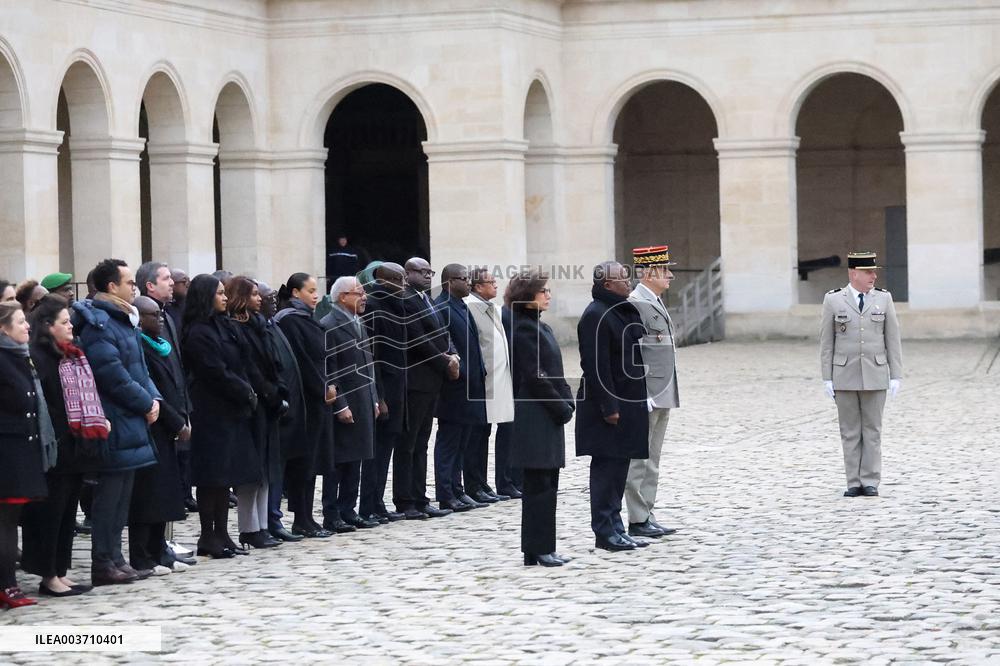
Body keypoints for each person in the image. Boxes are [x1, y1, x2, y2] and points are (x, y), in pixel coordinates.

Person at [72, 259, 161, 584]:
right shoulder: (100, 325)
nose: (133, 287)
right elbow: (112, 375)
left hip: (132, 418)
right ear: (111, 286)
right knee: (109, 498)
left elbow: (140, 370)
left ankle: (117, 558)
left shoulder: (123, 321)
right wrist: (144, 402)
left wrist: (154, 400)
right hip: (115, 418)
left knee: (123, 495)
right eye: (128, 282)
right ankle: (103, 562)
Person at [22, 295, 104, 597]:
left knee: (68, 511)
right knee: (50, 512)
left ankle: (59, 569)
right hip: (54, 447)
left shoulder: (70, 355)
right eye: (64, 322)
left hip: (75, 446)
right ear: (47, 326)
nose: (71, 326)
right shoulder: (39, 357)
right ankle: (47, 573)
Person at [183, 275, 261, 558]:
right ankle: (208, 535)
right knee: (212, 476)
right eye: (218, 293)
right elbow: (213, 370)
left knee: (226, 474)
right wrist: (243, 390)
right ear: (206, 297)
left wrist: (247, 389)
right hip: (210, 410)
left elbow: (240, 361)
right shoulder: (198, 332)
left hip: (231, 409)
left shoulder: (224, 325)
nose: (225, 297)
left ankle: (223, 533)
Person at [576, 261, 650, 552]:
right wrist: (609, 406)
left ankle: (617, 527)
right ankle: (605, 532)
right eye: (622, 279)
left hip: (628, 402)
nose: (628, 282)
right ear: (607, 285)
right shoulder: (595, 315)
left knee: (620, 468)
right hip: (608, 407)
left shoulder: (619, 310)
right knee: (606, 470)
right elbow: (596, 366)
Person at [820, 251, 903, 498]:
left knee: (873, 430)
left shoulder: (884, 299)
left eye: (874, 271)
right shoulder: (833, 300)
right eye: (868, 272)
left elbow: (892, 339)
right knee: (850, 431)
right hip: (844, 374)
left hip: (875, 373)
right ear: (853, 273)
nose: (873, 276)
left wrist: (895, 374)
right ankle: (853, 482)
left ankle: (870, 481)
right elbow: (826, 342)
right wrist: (827, 377)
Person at [507, 271, 574, 567]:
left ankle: (541, 546)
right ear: (527, 296)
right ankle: (537, 547)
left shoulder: (539, 326)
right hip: (536, 412)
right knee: (538, 485)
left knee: (548, 483)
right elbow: (536, 376)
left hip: (547, 411)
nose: (548, 295)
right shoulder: (523, 329)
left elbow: (554, 371)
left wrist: (566, 399)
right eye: (542, 291)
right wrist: (560, 405)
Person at [128, 296, 192, 574]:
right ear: (140, 319)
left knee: (164, 495)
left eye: (161, 314)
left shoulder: (162, 346)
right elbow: (155, 390)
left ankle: (159, 549)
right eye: (154, 315)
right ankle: (143, 555)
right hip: (152, 426)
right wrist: (177, 422)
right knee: (148, 497)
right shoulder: (140, 346)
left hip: (167, 427)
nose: (161, 319)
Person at [393, 258, 458, 520]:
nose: (428, 275)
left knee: (422, 443)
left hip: (433, 381)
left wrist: (453, 354)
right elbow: (418, 338)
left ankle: (421, 497)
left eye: (430, 271)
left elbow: (442, 332)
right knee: (408, 444)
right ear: (408, 274)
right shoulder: (406, 300)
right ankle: (405, 500)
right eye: (422, 271)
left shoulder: (426, 299)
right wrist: (445, 361)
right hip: (416, 381)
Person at [275, 273, 337, 538]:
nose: (315, 295)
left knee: (312, 462)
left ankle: (308, 517)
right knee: (303, 462)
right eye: (310, 290)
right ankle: (301, 517)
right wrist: (322, 386)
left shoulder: (307, 320)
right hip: (305, 399)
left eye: (316, 291)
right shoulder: (289, 320)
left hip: (319, 399)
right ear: (295, 293)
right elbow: (302, 360)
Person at [624, 246, 681, 540]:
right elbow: (633, 353)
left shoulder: (654, 300)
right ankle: (636, 516)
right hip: (648, 394)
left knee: (653, 458)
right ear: (648, 273)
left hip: (663, 391)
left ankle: (647, 513)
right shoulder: (635, 303)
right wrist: (641, 392)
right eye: (664, 270)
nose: (670, 275)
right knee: (639, 459)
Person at [0, 302, 53, 608]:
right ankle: (7, 584)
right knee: (4, 523)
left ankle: (8, 583)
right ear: (3, 329)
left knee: (9, 521)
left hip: (20, 451)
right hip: (7, 454)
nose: (27, 326)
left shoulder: (19, 357)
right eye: (20, 322)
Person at [227, 277, 285, 549]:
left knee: (265, 467)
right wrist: (266, 392)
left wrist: (277, 390)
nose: (259, 298)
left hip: (268, 401)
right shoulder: (236, 326)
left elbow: (272, 362)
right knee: (252, 470)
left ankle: (261, 525)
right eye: (252, 294)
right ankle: (249, 527)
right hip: (253, 404)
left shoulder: (260, 326)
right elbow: (247, 365)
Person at [320, 277, 380, 531]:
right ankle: (331, 513)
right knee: (339, 461)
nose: (364, 296)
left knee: (356, 457)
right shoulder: (328, 324)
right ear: (342, 297)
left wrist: (375, 398)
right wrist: (340, 405)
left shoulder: (358, 321)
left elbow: (368, 364)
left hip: (364, 398)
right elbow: (330, 369)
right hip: (345, 402)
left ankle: (349, 509)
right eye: (358, 292)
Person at [433, 264, 489, 512]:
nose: (468, 283)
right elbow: (446, 344)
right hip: (455, 387)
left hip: (472, 385)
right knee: (449, 442)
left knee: (463, 442)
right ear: (449, 282)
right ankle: (446, 492)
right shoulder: (442, 307)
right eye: (463, 279)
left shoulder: (461, 305)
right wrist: (463, 372)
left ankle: (458, 489)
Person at [358, 263, 407, 524]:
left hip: (397, 387)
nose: (404, 284)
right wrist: (380, 397)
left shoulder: (395, 305)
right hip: (384, 389)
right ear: (384, 280)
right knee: (376, 453)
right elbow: (373, 358)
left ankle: (377, 501)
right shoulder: (375, 307)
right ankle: (368, 504)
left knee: (385, 450)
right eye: (399, 279)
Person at [258, 281, 304, 543]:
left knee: (279, 467)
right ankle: (268, 519)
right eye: (266, 297)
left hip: (288, 405)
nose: (273, 300)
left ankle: (273, 518)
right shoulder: (262, 327)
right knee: (272, 469)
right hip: (274, 407)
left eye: (274, 296)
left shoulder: (273, 323)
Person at [464, 267, 515, 503]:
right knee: (477, 434)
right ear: (477, 286)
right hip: (483, 382)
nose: (496, 285)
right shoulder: (470, 307)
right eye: (490, 282)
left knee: (499, 430)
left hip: (500, 379)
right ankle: (474, 484)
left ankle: (492, 483)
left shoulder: (493, 308)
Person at [494, 302, 522, 498]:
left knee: (519, 435)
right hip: (508, 381)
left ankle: (518, 479)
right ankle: (505, 481)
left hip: (521, 384)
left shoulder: (526, 315)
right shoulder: (506, 314)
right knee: (508, 434)